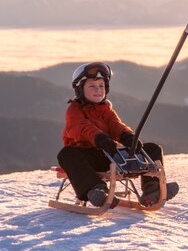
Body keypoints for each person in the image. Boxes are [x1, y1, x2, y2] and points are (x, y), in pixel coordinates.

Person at [56, 61, 179, 207]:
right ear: (80, 89)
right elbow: (81, 127)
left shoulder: (106, 109)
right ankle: (96, 190)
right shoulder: (74, 110)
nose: (98, 90)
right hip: (88, 158)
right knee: (66, 154)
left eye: (101, 86)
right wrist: (99, 138)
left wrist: (128, 136)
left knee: (152, 149)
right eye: (92, 86)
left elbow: (116, 125)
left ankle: (153, 189)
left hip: (110, 153)